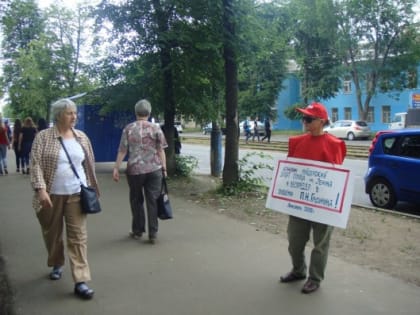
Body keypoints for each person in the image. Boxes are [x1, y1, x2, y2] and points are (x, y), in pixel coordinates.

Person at [30, 98, 99, 300]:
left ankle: (81, 280)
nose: (74, 116)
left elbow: (88, 164)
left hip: (76, 194)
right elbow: (35, 165)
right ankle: (57, 262)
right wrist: (41, 190)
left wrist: (90, 187)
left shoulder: (81, 137)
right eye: (70, 113)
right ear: (59, 115)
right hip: (50, 195)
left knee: (78, 237)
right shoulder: (43, 137)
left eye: (75, 113)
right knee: (52, 234)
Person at [279, 102, 346, 294]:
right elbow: (290, 171)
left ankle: (315, 278)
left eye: (309, 118)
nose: (304, 121)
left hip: (323, 205)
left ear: (322, 121)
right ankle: (298, 270)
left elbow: (336, 176)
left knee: (320, 244)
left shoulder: (335, 144)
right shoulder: (296, 142)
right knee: (294, 241)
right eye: (303, 117)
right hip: (299, 203)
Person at [113, 99, 168, 244]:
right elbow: (161, 150)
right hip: (154, 169)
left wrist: (116, 168)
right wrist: (164, 168)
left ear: (136, 112)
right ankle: (153, 234)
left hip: (135, 171)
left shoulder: (128, 128)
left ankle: (137, 231)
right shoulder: (156, 128)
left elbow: (122, 150)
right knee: (153, 200)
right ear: (149, 112)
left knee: (136, 200)